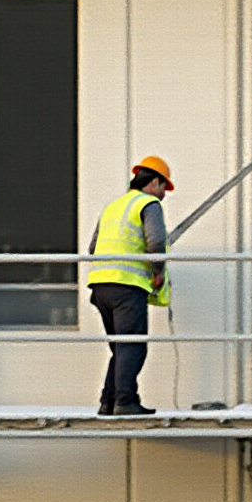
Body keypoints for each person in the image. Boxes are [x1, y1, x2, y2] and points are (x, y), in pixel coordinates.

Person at [85, 156, 174, 415]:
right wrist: (157, 272)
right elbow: (156, 243)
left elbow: (93, 247)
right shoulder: (149, 204)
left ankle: (108, 401)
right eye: (163, 189)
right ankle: (125, 401)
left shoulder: (113, 206)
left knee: (120, 347)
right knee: (132, 346)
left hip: (101, 286)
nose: (163, 195)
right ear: (154, 182)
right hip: (127, 287)